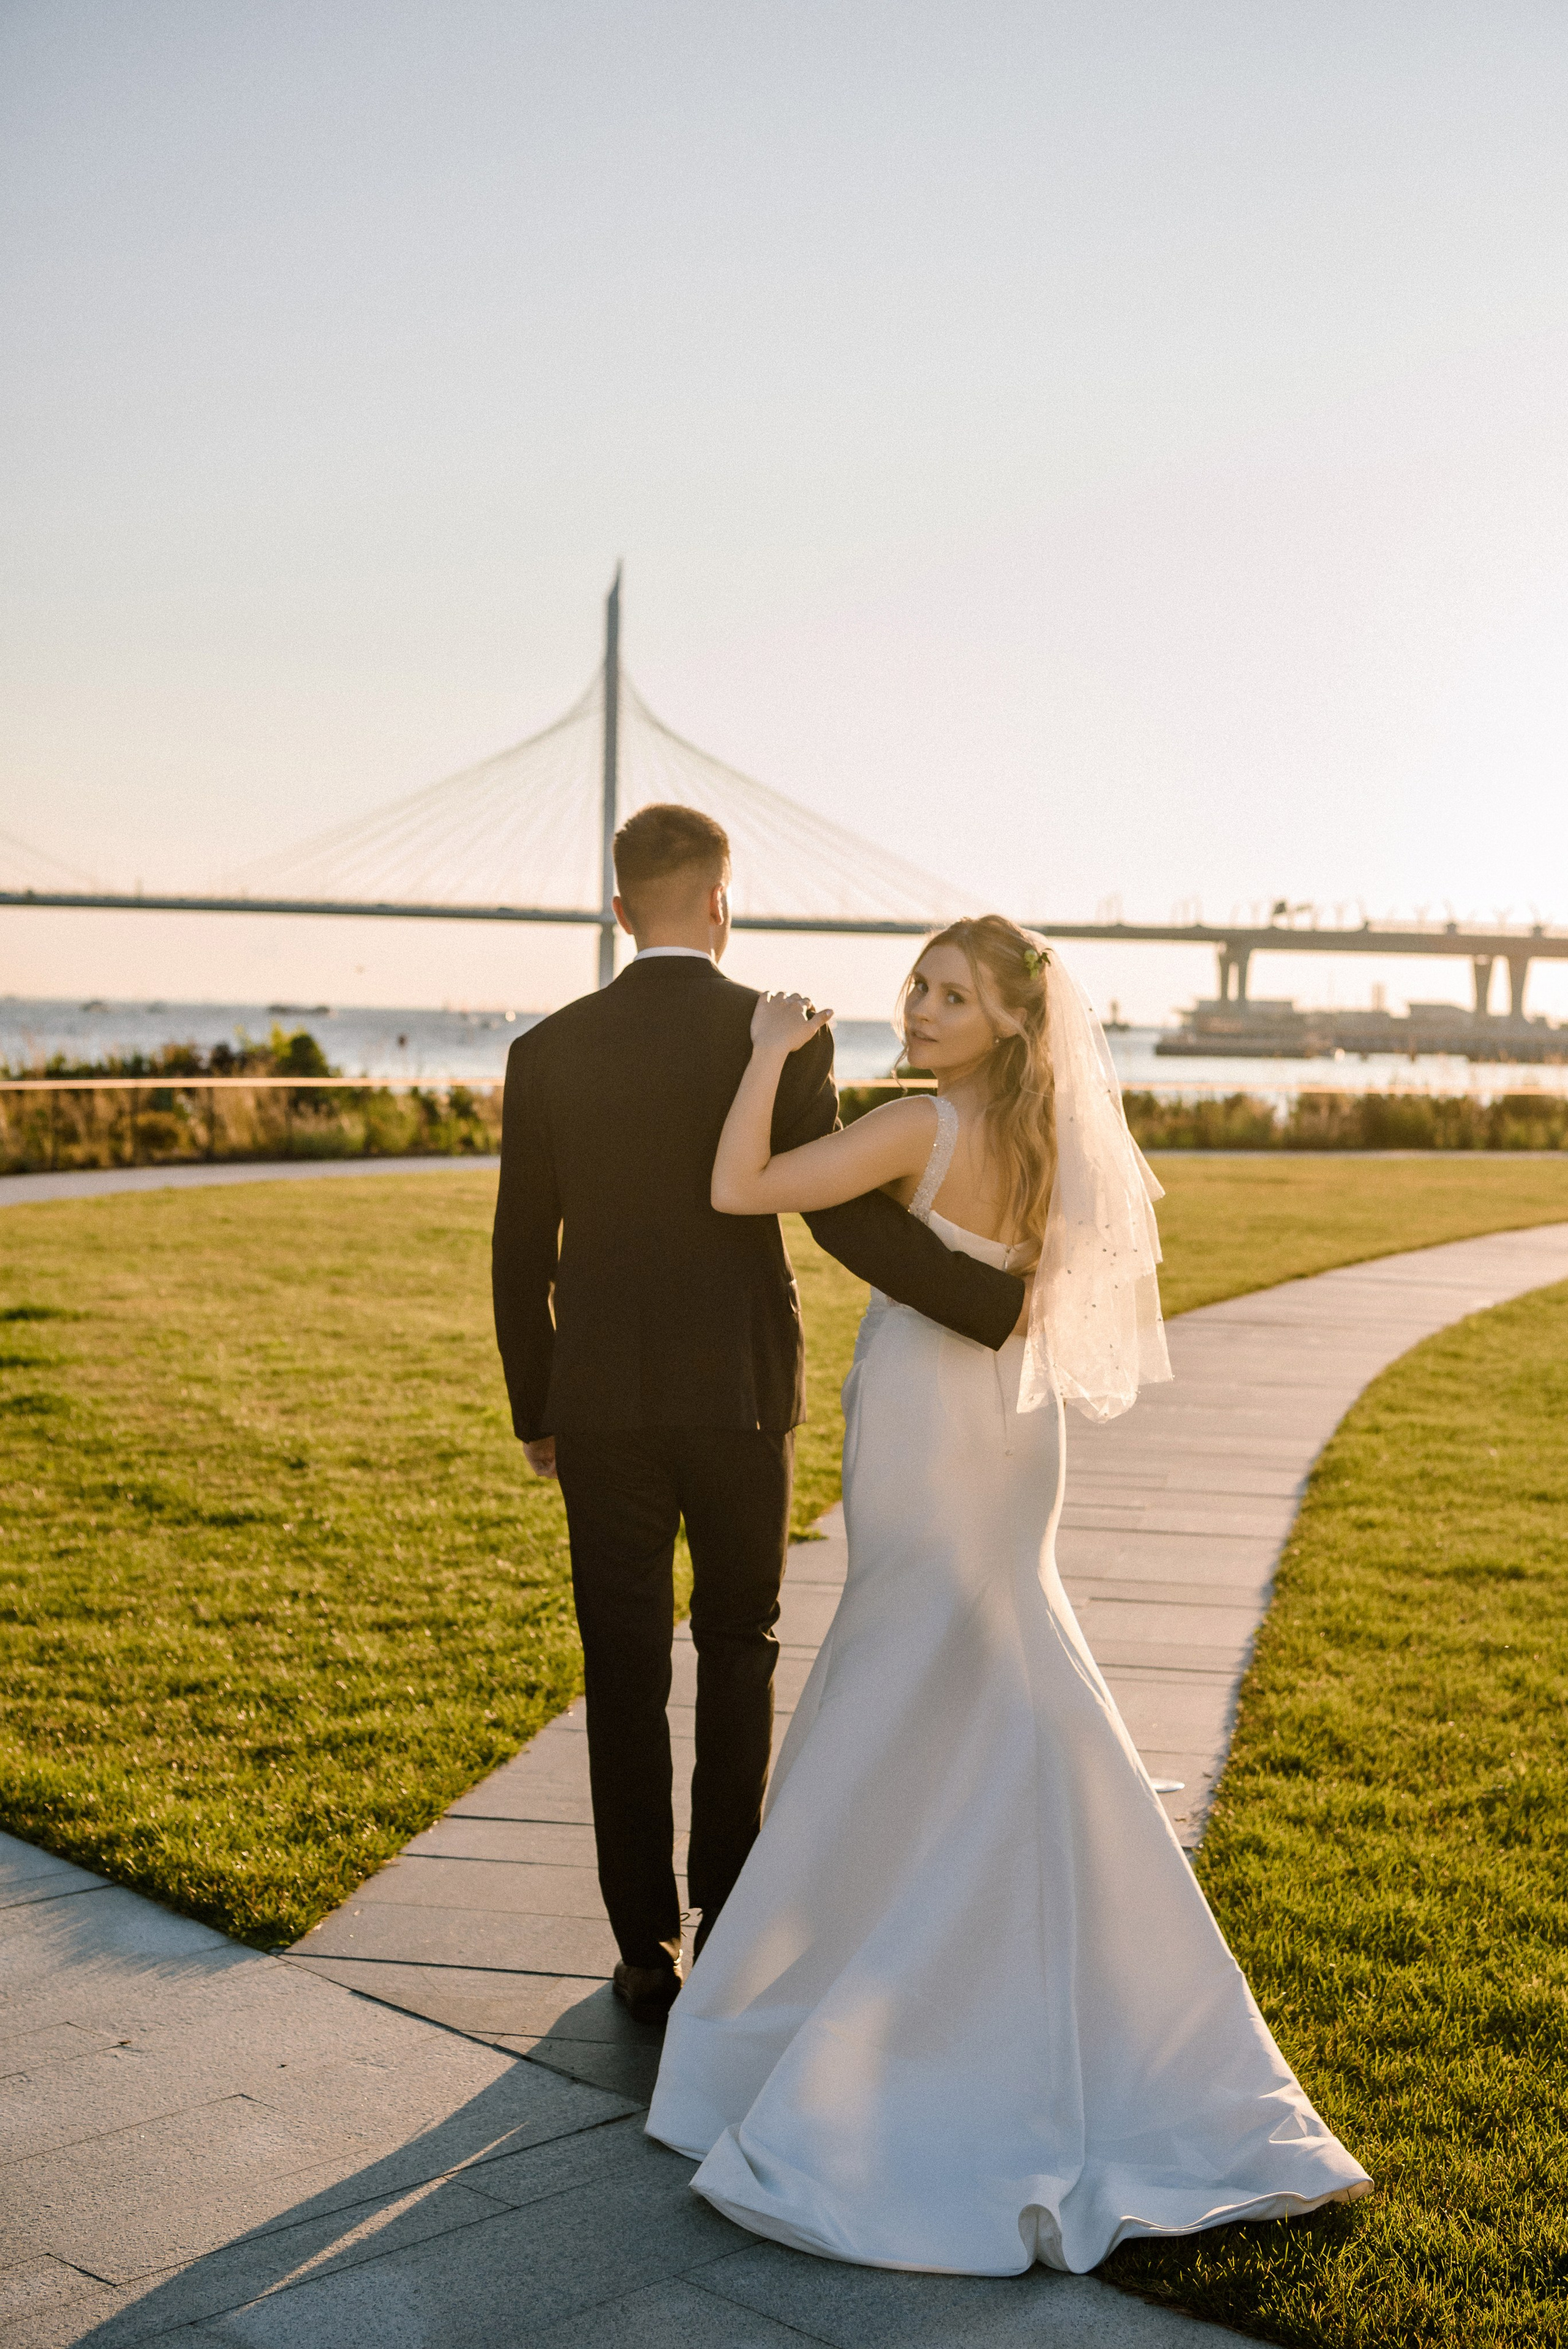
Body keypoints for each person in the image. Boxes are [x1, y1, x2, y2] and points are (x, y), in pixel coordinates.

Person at [646, 914, 1371, 2274]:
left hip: (928, 1420)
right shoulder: (1049, 1145)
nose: (916, 1010)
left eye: (949, 995)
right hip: (1011, 1436)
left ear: (1003, 1025)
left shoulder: (920, 1129)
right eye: (915, 986)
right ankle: (1041, 1958)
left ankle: (883, 1979)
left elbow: (736, 1186)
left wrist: (764, 1050)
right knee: (1001, 1664)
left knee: (906, 1668)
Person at [490, 808, 1025, 2027]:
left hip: (602, 1408)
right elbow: (837, 1217)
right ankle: (726, 1919)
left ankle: (642, 1949)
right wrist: (991, 1301)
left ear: (618, 909)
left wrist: (540, 1405)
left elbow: (521, 1256)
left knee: (619, 1670)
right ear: (723, 900)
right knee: (741, 1646)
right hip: (742, 1395)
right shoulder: (779, 1034)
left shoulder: (546, 1050)